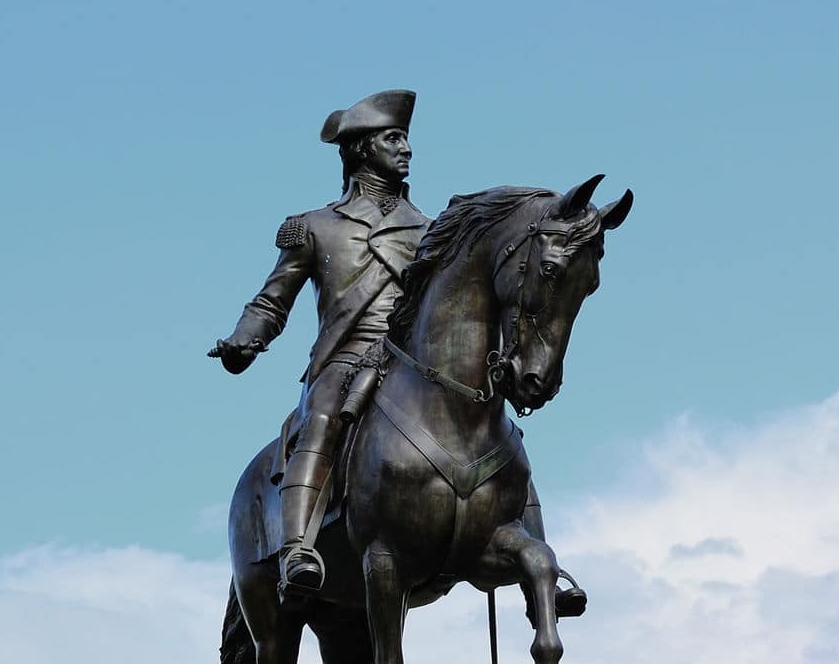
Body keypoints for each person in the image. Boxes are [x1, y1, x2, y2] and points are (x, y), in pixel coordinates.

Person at [208, 90, 586, 616]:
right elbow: (273, 301)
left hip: (413, 360)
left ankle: (540, 558)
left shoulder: (430, 230)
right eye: (393, 138)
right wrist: (244, 340)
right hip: (346, 358)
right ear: (361, 150)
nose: (405, 148)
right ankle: (298, 548)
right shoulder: (314, 227)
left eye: (405, 137)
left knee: (501, 431)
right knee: (319, 417)